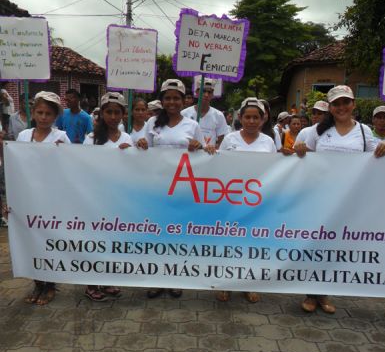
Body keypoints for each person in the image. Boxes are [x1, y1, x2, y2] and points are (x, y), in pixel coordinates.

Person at [295, 85, 385, 314]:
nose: (341, 107)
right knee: (315, 246)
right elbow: (302, 157)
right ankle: (310, 294)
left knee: (334, 248)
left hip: (348, 201)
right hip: (319, 199)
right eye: (336, 103)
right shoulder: (316, 131)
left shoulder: (365, 132)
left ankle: (324, 294)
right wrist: (298, 150)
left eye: (345, 102)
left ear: (353, 104)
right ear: (330, 107)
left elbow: (379, 155)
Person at [137, 79, 204, 299]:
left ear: (183, 100)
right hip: (157, 188)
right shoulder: (152, 123)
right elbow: (141, 151)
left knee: (177, 235)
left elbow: (203, 155)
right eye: (168, 98)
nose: (172, 102)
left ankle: (175, 278)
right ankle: (156, 279)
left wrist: (198, 146)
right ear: (162, 100)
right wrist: (142, 145)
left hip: (182, 189)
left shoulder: (192, 125)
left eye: (176, 98)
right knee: (156, 235)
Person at [216, 97, 276, 303]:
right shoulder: (230, 139)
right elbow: (218, 166)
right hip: (231, 199)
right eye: (247, 117)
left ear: (263, 119)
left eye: (255, 117)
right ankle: (225, 284)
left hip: (256, 202)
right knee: (229, 241)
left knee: (251, 243)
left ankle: (248, 284)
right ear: (240, 118)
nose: (251, 121)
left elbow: (276, 169)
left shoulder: (268, 141)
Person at [17, 91, 70, 305]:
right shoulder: (23, 136)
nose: (43, 117)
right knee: (31, 241)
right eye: (39, 112)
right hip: (28, 197)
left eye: (48, 113)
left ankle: (50, 285)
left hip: (52, 199)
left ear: (55, 116)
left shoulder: (60, 137)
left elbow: (68, 167)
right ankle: (37, 283)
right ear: (33, 113)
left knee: (49, 240)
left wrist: (62, 154)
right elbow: (17, 166)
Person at [83, 92, 133, 301]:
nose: (113, 116)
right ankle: (91, 284)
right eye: (109, 112)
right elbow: (84, 165)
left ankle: (108, 280)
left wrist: (131, 152)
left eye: (117, 112)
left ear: (123, 114)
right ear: (101, 113)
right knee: (95, 241)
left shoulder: (127, 138)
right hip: (97, 199)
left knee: (112, 242)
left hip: (118, 198)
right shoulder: (91, 139)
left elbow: (134, 168)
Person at [181, 78, 229, 148]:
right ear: (196, 93)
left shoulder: (218, 115)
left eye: (209, 92)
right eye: (203, 91)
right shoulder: (184, 114)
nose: (206, 95)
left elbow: (221, 139)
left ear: (212, 95)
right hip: (187, 155)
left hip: (208, 156)